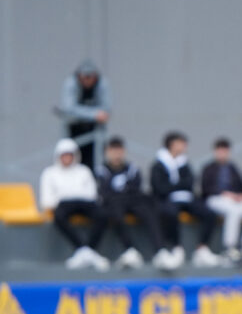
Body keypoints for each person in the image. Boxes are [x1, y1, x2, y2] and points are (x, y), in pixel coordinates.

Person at [95, 137, 176, 270]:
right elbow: (104, 192)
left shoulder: (132, 168)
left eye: (119, 150)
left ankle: (160, 251)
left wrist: (123, 193)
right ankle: (130, 250)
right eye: (113, 151)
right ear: (107, 152)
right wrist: (121, 193)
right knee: (114, 211)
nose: (116, 154)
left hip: (132, 201)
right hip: (114, 203)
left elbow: (136, 188)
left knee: (149, 210)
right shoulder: (101, 170)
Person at [150, 131, 222, 268]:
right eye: (181, 143)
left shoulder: (184, 163)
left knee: (209, 213)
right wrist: (177, 186)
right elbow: (160, 188)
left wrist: (173, 186)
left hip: (187, 198)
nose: (184, 146)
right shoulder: (158, 165)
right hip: (168, 200)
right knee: (169, 213)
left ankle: (202, 248)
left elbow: (190, 182)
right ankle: (176, 248)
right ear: (172, 144)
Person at [39, 138, 109, 271]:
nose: (67, 158)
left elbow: (92, 194)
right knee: (58, 216)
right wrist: (61, 199)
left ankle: (85, 251)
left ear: (75, 156)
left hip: (85, 203)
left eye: (69, 155)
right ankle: (85, 251)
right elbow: (46, 200)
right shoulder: (49, 173)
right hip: (63, 205)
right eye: (64, 155)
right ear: (58, 156)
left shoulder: (84, 171)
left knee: (102, 214)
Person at [201, 138, 242, 267]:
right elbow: (205, 189)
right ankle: (230, 248)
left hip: (235, 199)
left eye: (225, 151)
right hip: (215, 199)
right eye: (220, 150)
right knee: (234, 211)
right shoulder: (208, 168)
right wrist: (224, 193)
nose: (223, 153)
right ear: (215, 152)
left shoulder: (232, 168)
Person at [55, 59, 112, 172]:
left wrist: (94, 115)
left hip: (94, 131)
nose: (87, 81)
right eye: (84, 77)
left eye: (90, 77)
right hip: (73, 130)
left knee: (94, 163)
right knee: (72, 160)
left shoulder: (102, 84)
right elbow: (69, 108)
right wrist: (94, 114)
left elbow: (106, 110)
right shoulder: (71, 83)